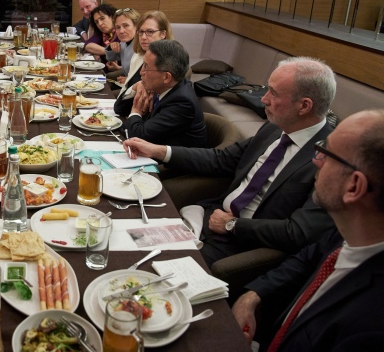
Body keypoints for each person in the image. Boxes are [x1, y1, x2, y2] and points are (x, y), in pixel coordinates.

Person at [123, 57, 337, 266]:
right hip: (209, 215)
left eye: (273, 93)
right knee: (127, 239)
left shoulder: (330, 161)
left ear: (304, 106)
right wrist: (159, 151)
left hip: (241, 243)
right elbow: (222, 159)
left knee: (149, 269)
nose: (263, 99)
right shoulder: (274, 128)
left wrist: (233, 225)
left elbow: (298, 231)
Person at [232, 110, 384, 351]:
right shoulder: (352, 231)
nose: (316, 160)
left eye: (326, 153)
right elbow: (306, 258)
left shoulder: (369, 327)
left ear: (354, 186)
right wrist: (252, 296)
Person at [123, 39, 206, 148]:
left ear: (166, 77)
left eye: (146, 67)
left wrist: (135, 112)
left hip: (171, 158)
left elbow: (138, 136)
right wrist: (135, 87)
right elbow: (119, 109)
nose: (141, 72)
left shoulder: (182, 102)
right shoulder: (162, 85)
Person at [114, 11, 173, 117]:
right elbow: (119, 106)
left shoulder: (170, 64)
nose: (143, 37)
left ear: (163, 34)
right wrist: (136, 86)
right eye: (141, 32)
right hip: (132, 114)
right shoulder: (138, 57)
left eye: (150, 32)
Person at [104, 8, 141, 84]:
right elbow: (111, 58)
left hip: (138, 83)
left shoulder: (142, 44)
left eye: (126, 25)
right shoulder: (124, 43)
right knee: (105, 78)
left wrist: (129, 80)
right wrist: (111, 47)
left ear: (137, 26)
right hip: (127, 74)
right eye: (118, 27)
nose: (121, 31)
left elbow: (151, 74)